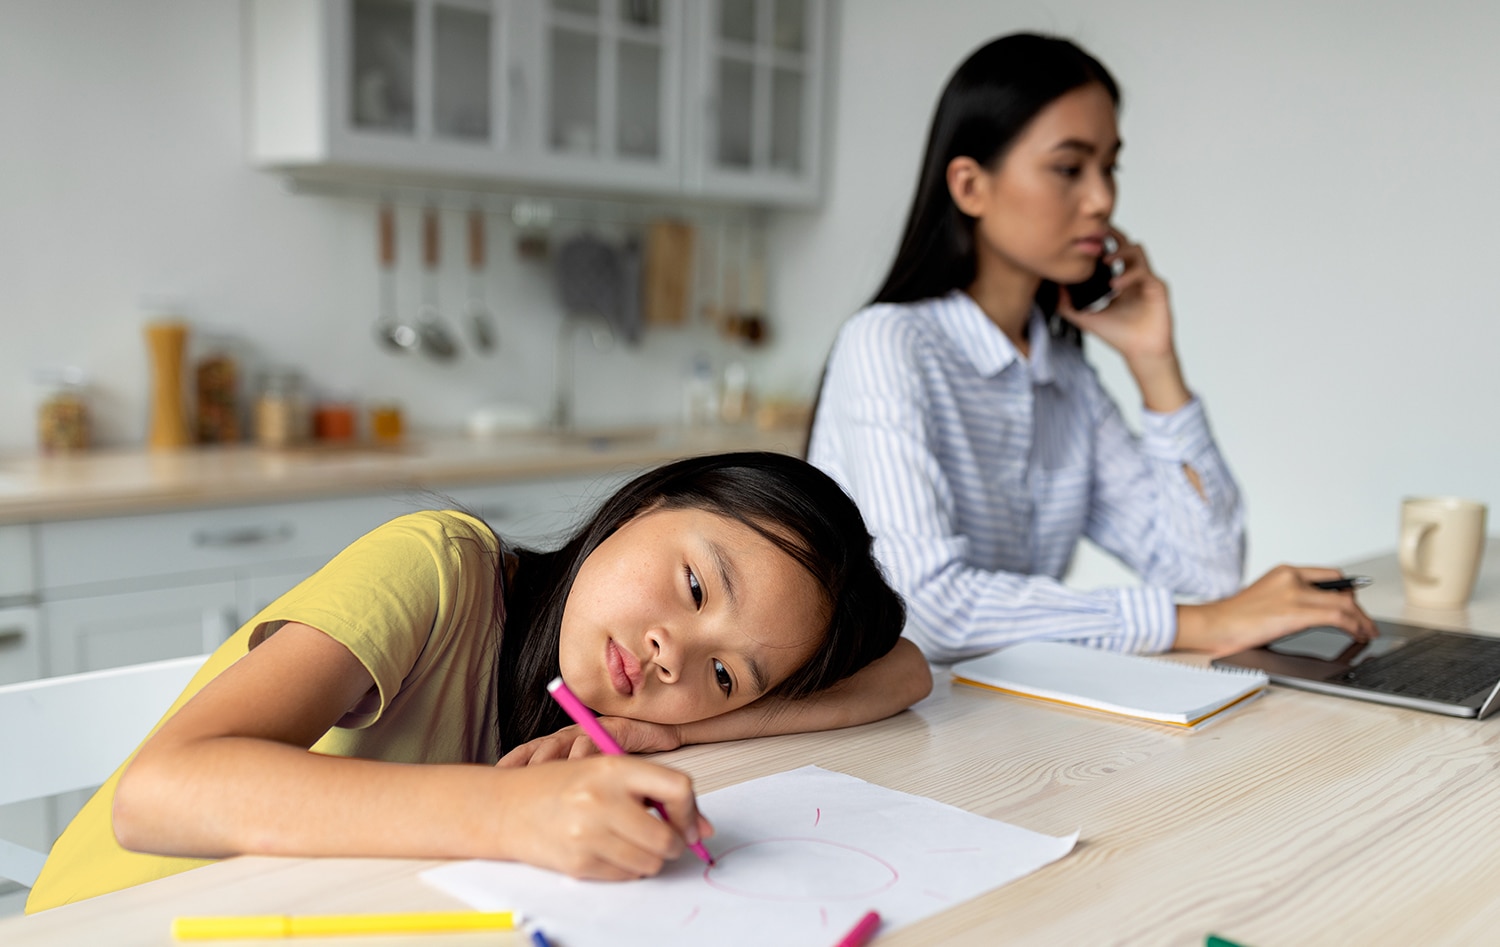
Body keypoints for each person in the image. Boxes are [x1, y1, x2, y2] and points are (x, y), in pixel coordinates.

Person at [27, 451, 927, 912]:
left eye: (727, 673)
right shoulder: (438, 566)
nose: (670, 654)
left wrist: (685, 728)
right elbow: (158, 792)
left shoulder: (618, 707)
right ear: (649, 501)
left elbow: (904, 670)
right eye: (695, 586)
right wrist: (514, 815)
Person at [806, 33, 1375, 664]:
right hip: (893, 734)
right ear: (970, 186)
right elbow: (926, 611)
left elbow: (1207, 574)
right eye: (1069, 168)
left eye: (1110, 167)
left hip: (1005, 718)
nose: (1102, 199)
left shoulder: (1064, 377)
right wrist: (1195, 622)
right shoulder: (888, 344)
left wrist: (1155, 363)